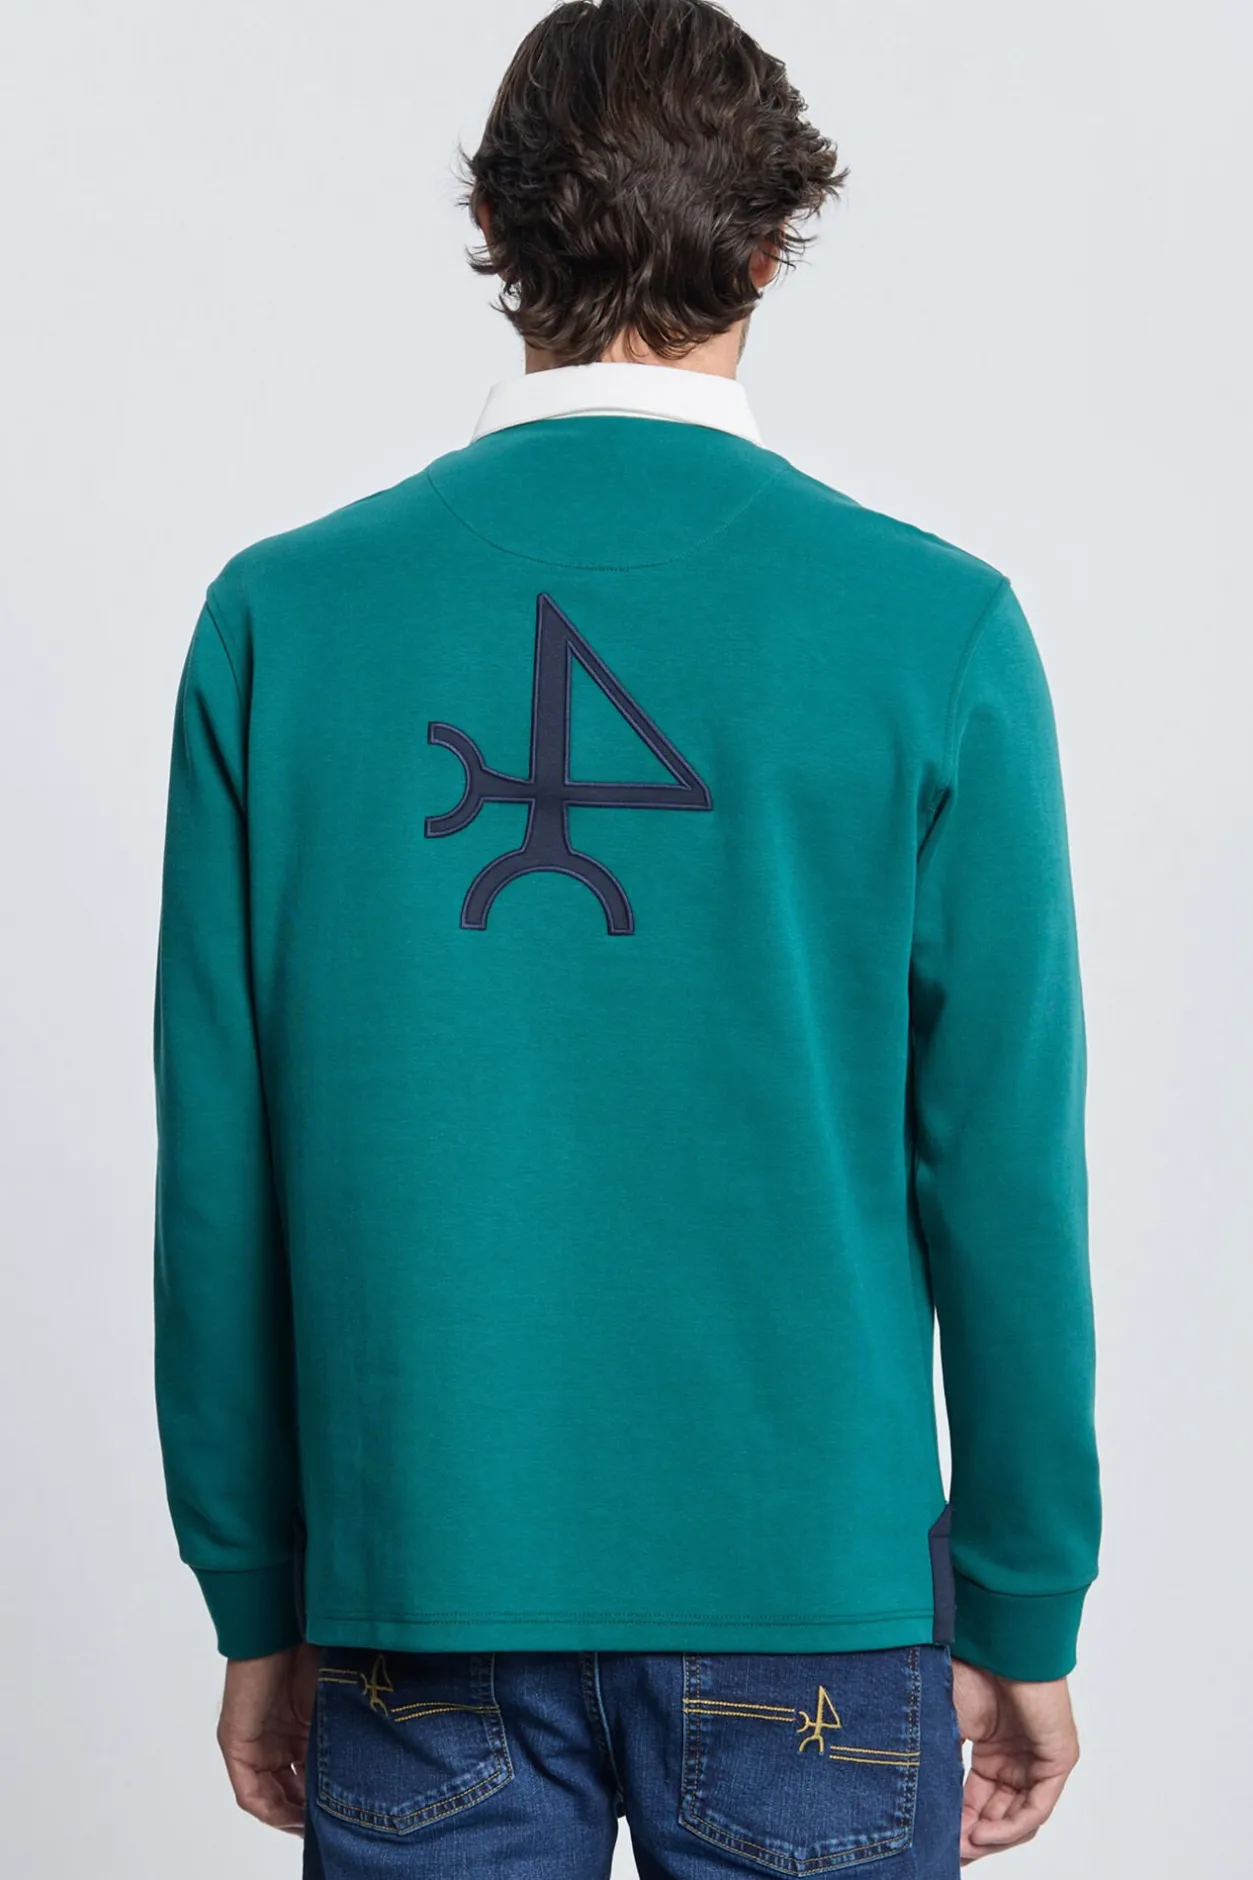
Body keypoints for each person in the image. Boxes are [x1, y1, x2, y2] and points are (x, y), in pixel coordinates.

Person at [152, 2, 1101, 1873]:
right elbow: (1005, 1173)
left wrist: (257, 1597)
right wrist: (1023, 1606)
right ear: (766, 251)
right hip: (818, 1605)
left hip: (417, 1583)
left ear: (496, 236)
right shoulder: (935, 632)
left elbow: (220, 1172)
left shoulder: (285, 624)